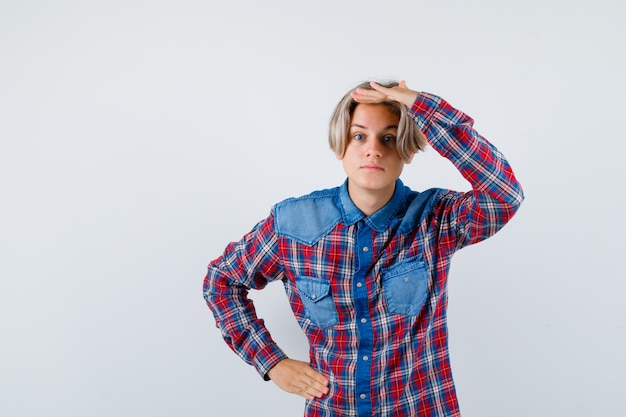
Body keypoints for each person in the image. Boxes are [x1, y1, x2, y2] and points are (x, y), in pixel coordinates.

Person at [203, 80, 524, 416]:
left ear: (408, 150)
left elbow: (504, 195)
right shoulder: (293, 223)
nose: (374, 149)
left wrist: (421, 106)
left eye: (388, 138)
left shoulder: (438, 219)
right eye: (359, 136)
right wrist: (272, 362)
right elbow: (221, 281)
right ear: (341, 144)